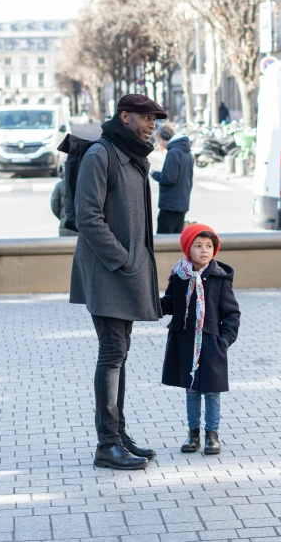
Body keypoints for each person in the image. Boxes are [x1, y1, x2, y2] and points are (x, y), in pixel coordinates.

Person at [70, 93, 168, 470]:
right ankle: (106, 444)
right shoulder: (101, 155)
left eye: (155, 120)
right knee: (112, 353)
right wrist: (123, 259)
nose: (151, 125)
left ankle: (119, 435)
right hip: (107, 273)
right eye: (146, 118)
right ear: (124, 117)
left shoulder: (134, 156)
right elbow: (87, 216)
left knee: (119, 353)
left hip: (125, 273)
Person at [160, 223, 241, 456]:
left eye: (208, 246)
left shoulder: (219, 279)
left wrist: (223, 341)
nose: (204, 250)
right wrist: (148, 303)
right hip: (186, 342)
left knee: (212, 391)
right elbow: (170, 303)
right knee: (191, 389)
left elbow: (232, 314)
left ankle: (212, 435)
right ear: (188, 250)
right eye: (198, 246)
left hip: (211, 344)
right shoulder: (179, 277)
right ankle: (193, 434)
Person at [152, 124, 194, 234]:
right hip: (182, 203)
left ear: (165, 138)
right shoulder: (187, 152)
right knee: (176, 241)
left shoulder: (173, 153)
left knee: (164, 241)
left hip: (170, 204)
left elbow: (169, 178)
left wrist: (154, 174)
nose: (159, 144)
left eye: (159, 140)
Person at [50, 164, 75, 237]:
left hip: (64, 225)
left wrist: (62, 217)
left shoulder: (59, 185)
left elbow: (54, 205)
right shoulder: (83, 183)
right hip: (80, 227)